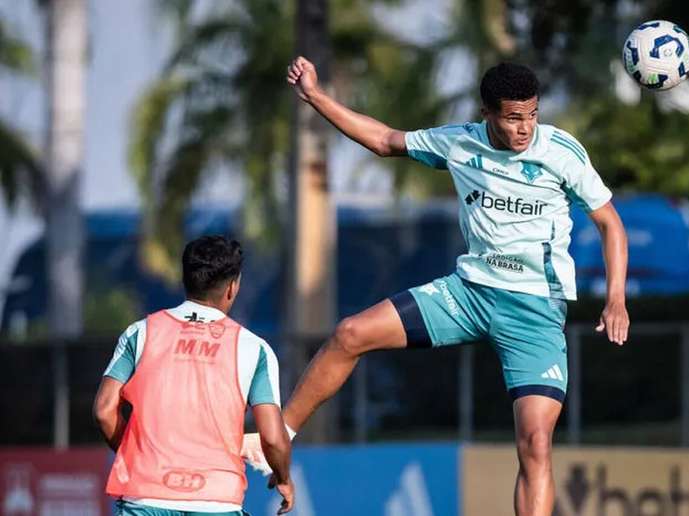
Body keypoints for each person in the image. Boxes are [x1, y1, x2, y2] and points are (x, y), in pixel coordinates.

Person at [284, 57, 629, 515]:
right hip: (467, 294)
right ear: (487, 113)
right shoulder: (460, 143)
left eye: (532, 115)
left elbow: (610, 223)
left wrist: (616, 298)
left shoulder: (562, 153)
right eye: (512, 117)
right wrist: (315, 95)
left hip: (534, 311)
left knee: (535, 442)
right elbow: (386, 140)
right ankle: (276, 434)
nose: (525, 128)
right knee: (350, 333)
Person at [93, 235, 294, 515]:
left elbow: (104, 410)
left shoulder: (140, 333)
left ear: (185, 279)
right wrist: (283, 478)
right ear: (232, 288)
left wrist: (136, 456)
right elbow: (272, 438)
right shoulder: (254, 349)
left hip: (144, 499)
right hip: (216, 502)